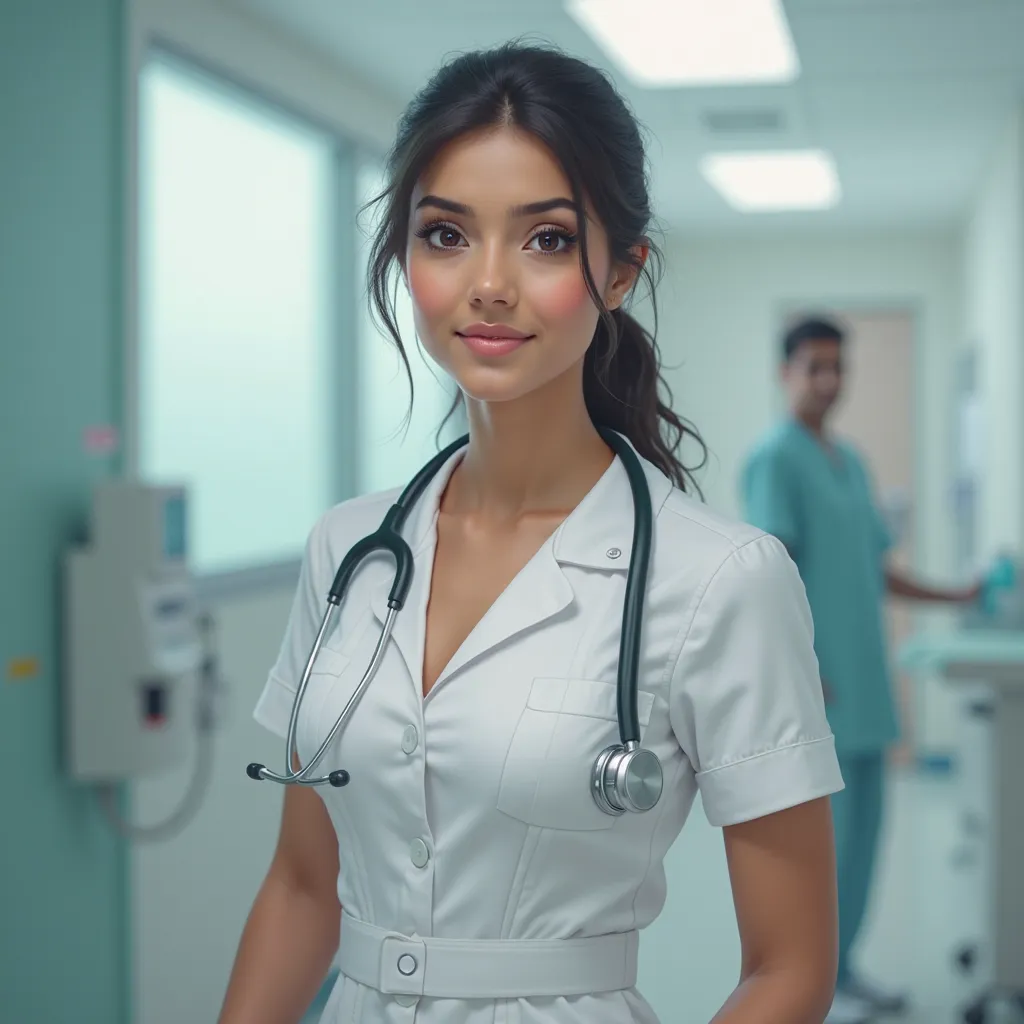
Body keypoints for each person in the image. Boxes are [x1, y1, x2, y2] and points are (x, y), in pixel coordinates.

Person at [219, 44, 846, 1024]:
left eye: (546, 239)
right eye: (446, 235)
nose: (490, 284)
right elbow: (303, 887)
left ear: (620, 271)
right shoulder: (345, 552)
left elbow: (790, 968)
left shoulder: (720, 578)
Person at [740, 316, 980, 1024]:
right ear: (785, 372)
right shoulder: (775, 459)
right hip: (820, 686)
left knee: (868, 840)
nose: (828, 381)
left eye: (837, 367)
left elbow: (876, 569)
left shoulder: (851, 460)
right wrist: (798, 666)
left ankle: (844, 970)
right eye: (813, 367)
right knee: (828, 847)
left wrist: (955, 595)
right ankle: (812, 979)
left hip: (867, 683)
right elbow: (768, 575)